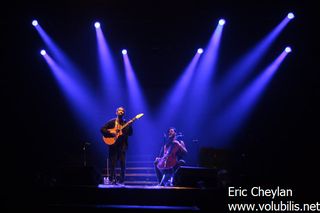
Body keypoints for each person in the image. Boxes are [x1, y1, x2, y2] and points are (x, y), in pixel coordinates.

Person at [100, 107, 133, 185]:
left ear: (124, 113)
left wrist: (130, 126)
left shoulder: (126, 123)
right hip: (113, 146)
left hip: (122, 146)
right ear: (116, 112)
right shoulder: (112, 122)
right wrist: (112, 133)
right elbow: (102, 129)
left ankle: (122, 180)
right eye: (119, 111)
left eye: (122, 111)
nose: (121, 112)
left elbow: (130, 133)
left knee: (123, 164)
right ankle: (112, 179)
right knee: (113, 164)